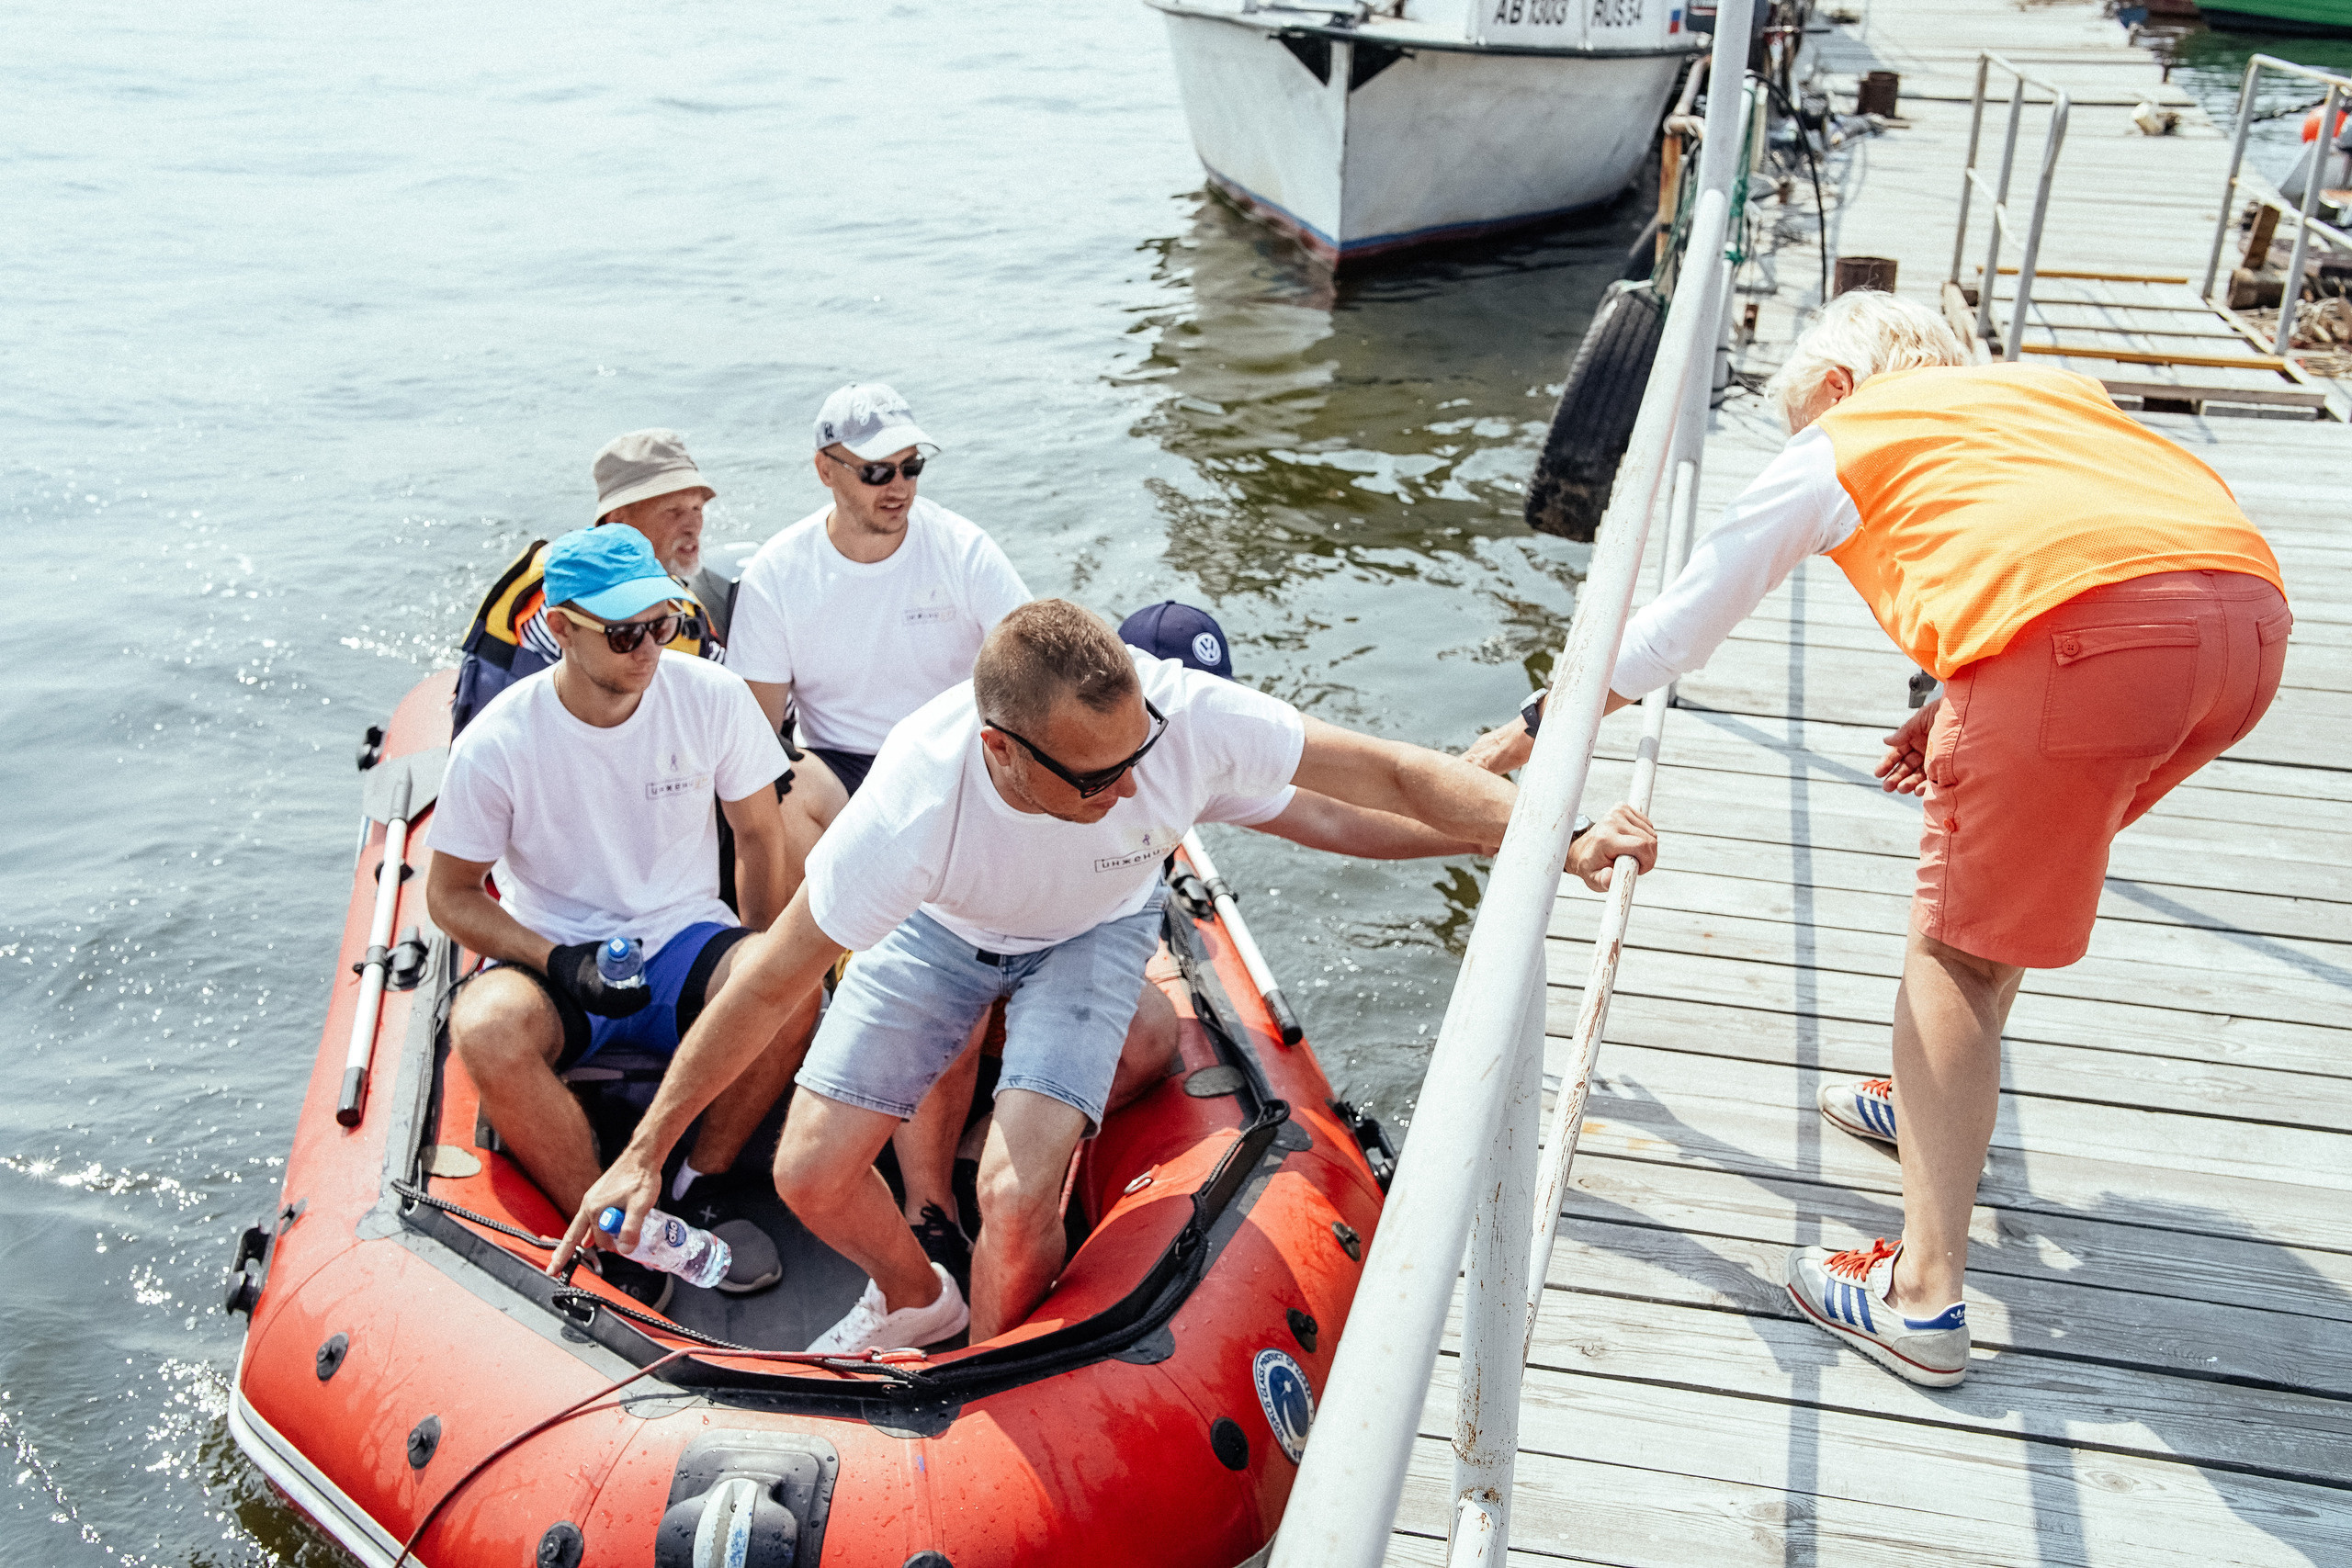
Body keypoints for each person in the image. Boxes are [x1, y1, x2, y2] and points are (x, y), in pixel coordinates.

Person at [1467, 290, 2290, 1388]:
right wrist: (1982, 679)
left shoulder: (1845, 439)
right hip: (2241, 632)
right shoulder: (2043, 389)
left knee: (1950, 947)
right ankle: (1923, 1102)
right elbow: (2081, 537)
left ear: (1840, 388)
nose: (1802, 441)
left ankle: (1921, 1299)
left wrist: (1515, 738)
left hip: (2082, 647)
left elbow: (1670, 634)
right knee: (2005, 900)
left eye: (1803, 416)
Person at [550, 599, 1657, 1355]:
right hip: (942, 931)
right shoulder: (910, 807)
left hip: (1094, 932)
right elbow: (768, 979)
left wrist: (1546, 833)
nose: (1134, 792)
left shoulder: (1184, 721)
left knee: (1018, 1192)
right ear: (1001, 751)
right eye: (1095, 778)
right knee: (808, 1173)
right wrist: (645, 1154)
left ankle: (979, 1376)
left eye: (1139, 759)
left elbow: (1377, 775)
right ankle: (916, 1298)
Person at [427, 525, 811, 1310]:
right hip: (559, 952)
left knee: (791, 982)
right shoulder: (496, 743)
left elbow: (759, 834)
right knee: (486, 1027)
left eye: (661, 624)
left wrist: (758, 961)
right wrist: (558, 960)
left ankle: (696, 1182)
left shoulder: (710, 697)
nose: (647, 648)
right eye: (624, 631)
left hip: (685, 937)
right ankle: (611, 1227)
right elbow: (450, 894)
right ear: (561, 626)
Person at [724, 383, 1033, 1277]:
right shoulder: (781, 573)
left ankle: (929, 1203)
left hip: (951, 760)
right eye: (875, 470)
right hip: (841, 764)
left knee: (938, 925)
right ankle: (789, 979)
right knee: (776, 799)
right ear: (826, 471)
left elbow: (1028, 663)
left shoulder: (961, 548)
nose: (898, 485)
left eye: (911, 465)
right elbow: (757, 740)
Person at [452, 429, 731, 737]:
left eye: (696, 509)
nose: (692, 525)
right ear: (618, 522)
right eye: (672, 511)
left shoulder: (666, 597)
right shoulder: (578, 598)